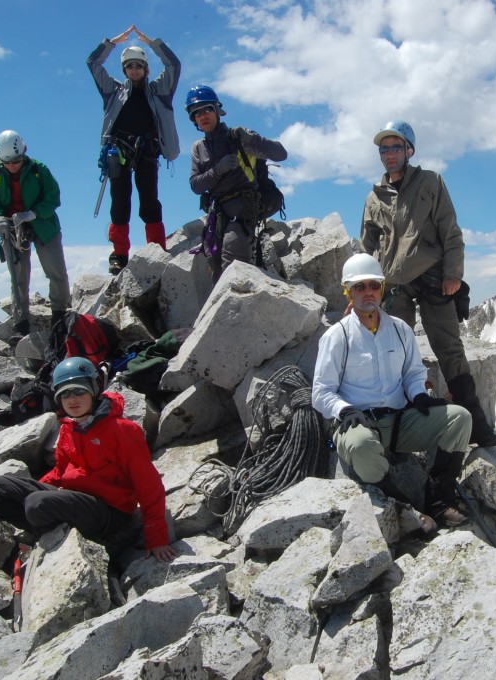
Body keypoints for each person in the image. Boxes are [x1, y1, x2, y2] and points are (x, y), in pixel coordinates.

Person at [360, 120, 496, 448]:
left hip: (433, 280)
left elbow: (450, 230)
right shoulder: (373, 196)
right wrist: (362, 288)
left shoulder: (430, 182)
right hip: (393, 284)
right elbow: (366, 247)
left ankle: (476, 425)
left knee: (449, 347)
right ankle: (403, 420)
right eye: (385, 148)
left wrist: (453, 273)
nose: (390, 153)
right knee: (394, 349)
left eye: (397, 147)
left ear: (409, 150)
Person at [312, 253, 473, 529]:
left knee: (460, 418)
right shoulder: (337, 336)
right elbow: (321, 392)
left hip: (399, 422)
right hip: (359, 423)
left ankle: (438, 499)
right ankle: (405, 509)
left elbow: (412, 373)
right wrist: (344, 409)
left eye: (373, 285)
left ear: (382, 288)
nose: (368, 292)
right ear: (348, 291)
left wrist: (419, 394)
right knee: (362, 446)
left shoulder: (400, 330)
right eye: (359, 287)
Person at [0, 357, 177, 562]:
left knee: (35, 505)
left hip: (111, 514)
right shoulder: (70, 427)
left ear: (93, 390)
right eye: (64, 393)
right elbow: (60, 471)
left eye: (79, 390)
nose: (72, 399)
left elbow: (148, 484)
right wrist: (38, 490)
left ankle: (59, 536)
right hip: (76, 499)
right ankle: (44, 523)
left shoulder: (122, 430)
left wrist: (157, 537)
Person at [88, 25, 180, 275]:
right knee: (120, 203)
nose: (134, 70)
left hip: (147, 150)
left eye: (138, 65)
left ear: (145, 67)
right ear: (124, 70)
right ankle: (119, 255)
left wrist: (153, 44)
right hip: (119, 151)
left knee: (149, 200)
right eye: (129, 66)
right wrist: (111, 43)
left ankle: (157, 250)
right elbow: (93, 63)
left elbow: (173, 65)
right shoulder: (113, 92)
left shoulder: (159, 91)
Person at [186, 84, 287, 282]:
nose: (203, 115)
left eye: (207, 109)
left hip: (243, 208)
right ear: (193, 119)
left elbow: (280, 154)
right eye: (197, 113)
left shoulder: (239, 137)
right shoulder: (199, 148)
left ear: (217, 110)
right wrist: (217, 170)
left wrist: (254, 139)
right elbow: (195, 186)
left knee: (233, 265)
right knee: (216, 269)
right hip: (217, 213)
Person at [0, 130, 71, 342]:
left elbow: (53, 197)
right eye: (8, 162)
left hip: (43, 225)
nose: (13, 165)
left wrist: (33, 213)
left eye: (17, 160)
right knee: (19, 277)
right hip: (13, 230)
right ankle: (21, 325)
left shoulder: (39, 170)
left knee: (56, 271)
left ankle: (60, 317)